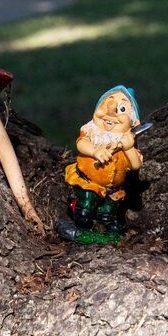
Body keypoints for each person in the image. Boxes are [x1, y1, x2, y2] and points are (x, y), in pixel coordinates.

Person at [62, 86, 143, 236]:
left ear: (134, 123)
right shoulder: (92, 133)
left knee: (108, 210)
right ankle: (82, 225)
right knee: (86, 205)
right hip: (88, 181)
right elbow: (81, 143)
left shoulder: (127, 143)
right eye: (106, 105)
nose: (110, 111)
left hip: (113, 189)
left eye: (122, 108)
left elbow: (136, 165)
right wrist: (95, 151)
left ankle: (106, 224)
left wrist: (129, 148)